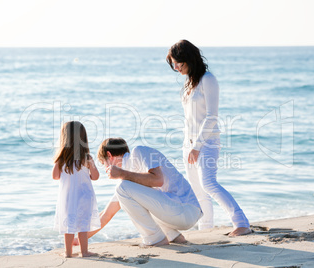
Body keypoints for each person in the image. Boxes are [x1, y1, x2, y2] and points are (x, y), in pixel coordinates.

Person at [166, 40, 251, 236]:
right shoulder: (189, 83)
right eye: (173, 64)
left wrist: (197, 146)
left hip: (207, 143)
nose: (176, 67)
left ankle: (241, 222)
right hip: (188, 145)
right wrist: (189, 146)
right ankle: (206, 230)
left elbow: (212, 116)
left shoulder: (208, 79)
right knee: (198, 192)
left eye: (178, 63)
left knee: (209, 184)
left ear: (189, 58)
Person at [89, 138, 203, 247]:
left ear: (109, 155)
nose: (105, 169)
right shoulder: (128, 181)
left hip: (187, 209)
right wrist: (82, 238)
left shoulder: (139, 152)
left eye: (103, 163)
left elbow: (158, 180)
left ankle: (155, 239)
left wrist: (122, 174)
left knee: (122, 188)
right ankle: (174, 236)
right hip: (179, 214)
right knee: (125, 191)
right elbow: (107, 214)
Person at [52, 121, 101, 257]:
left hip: (68, 197)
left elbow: (55, 176)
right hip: (85, 196)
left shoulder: (61, 159)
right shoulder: (87, 158)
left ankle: (68, 252)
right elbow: (96, 177)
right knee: (83, 225)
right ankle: (84, 252)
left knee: (69, 225)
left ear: (64, 138)